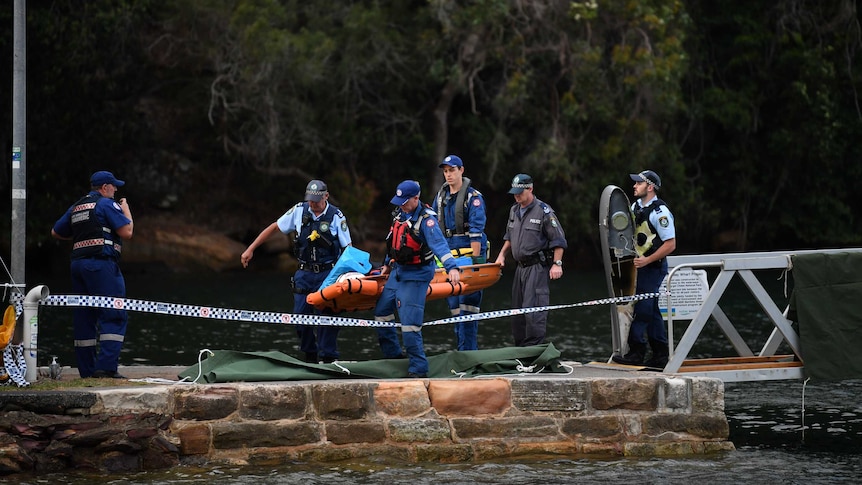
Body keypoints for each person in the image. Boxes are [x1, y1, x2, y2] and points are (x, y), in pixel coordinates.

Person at [241, 180, 352, 364]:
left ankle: (329, 357)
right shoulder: (299, 210)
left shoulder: (336, 216)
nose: (313, 204)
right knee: (300, 319)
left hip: (328, 273)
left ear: (326, 196)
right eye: (310, 200)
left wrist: (346, 276)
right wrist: (250, 249)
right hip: (304, 273)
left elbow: (347, 248)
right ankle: (310, 355)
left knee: (328, 318)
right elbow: (275, 226)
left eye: (316, 200)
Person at [51, 171, 134, 379]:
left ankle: (87, 371)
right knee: (114, 314)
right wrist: (126, 210)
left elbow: (56, 232)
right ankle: (105, 368)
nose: (116, 190)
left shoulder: (77, 206)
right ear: (104, 187)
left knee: (84, 316)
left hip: (78, 266)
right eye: (114, 186)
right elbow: (127, 232)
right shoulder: (106, 204)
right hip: (101, 265)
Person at [374, 180, 461, 377]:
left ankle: (418, 369)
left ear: (416, 198)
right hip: (398, 270)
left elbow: (439, 245)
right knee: (381, 313)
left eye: (405, 201)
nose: (401, 205)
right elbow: (394, 243)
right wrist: (387, 264)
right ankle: (394, 359)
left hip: (417, 274)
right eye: (399, 201)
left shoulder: (427, 220)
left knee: (410, 324)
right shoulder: (399, 214)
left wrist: (452, 268)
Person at [493, 174, 567, 347]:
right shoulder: (514, 210)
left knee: (533, 311)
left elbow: (559, 241)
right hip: (520, 268)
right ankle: (520, 350)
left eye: (520, 192)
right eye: (514, 192)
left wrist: (557, 264)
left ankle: (533, 350)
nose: (517, 196)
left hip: (536, 267)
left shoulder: (543, 211)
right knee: (517, 313)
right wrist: (502, 254)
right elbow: (509, 237)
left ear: (530, 189)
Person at [613, 170, 676, 368]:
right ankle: (660, 355)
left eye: (639, 183)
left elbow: (670, 244)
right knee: (652, 310)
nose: (634, 186)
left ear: (650, 187)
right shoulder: (635, 206)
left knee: (643, 309)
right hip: (640, 265)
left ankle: (636, 352)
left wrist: (647, 261)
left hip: (653, 267)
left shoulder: (661, 213)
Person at [432, 154, 488, 351]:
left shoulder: (473, 198)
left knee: (468, 308)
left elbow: (476, 233)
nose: (448, 175)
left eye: (452, 170)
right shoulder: (441, 198)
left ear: (461, 170)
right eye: (445, 171)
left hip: (468, 258)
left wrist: (475, 265)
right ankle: (460, 351)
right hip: (449, 260)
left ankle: (468, 353)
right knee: (455, 308)